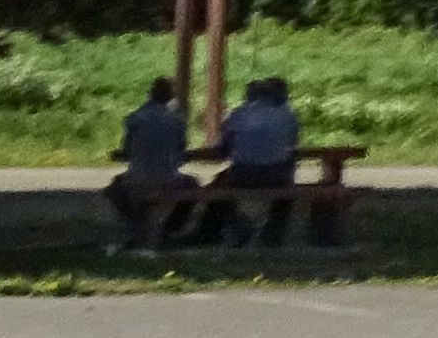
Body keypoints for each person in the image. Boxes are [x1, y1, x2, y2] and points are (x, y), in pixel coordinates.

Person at [192, 74, 305, 248]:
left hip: (244, 175)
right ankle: (274, 234)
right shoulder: (287, 116)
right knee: (286, 189)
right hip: (276, 177)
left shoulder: (238, 115)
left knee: (218, 186)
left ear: (248, 96)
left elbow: (224, 150)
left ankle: (211, 232)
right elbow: (292, 144)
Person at [106, 78, 198, 249]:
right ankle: (170, 229)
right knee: (193, 185)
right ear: (170, 98)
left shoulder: (134, 119)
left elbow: (127, 151)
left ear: (150, 95)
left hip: (136, 179)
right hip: (170, 181)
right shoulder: (177, 122)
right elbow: (181, 152)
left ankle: (137, 225)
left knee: (114, 189)